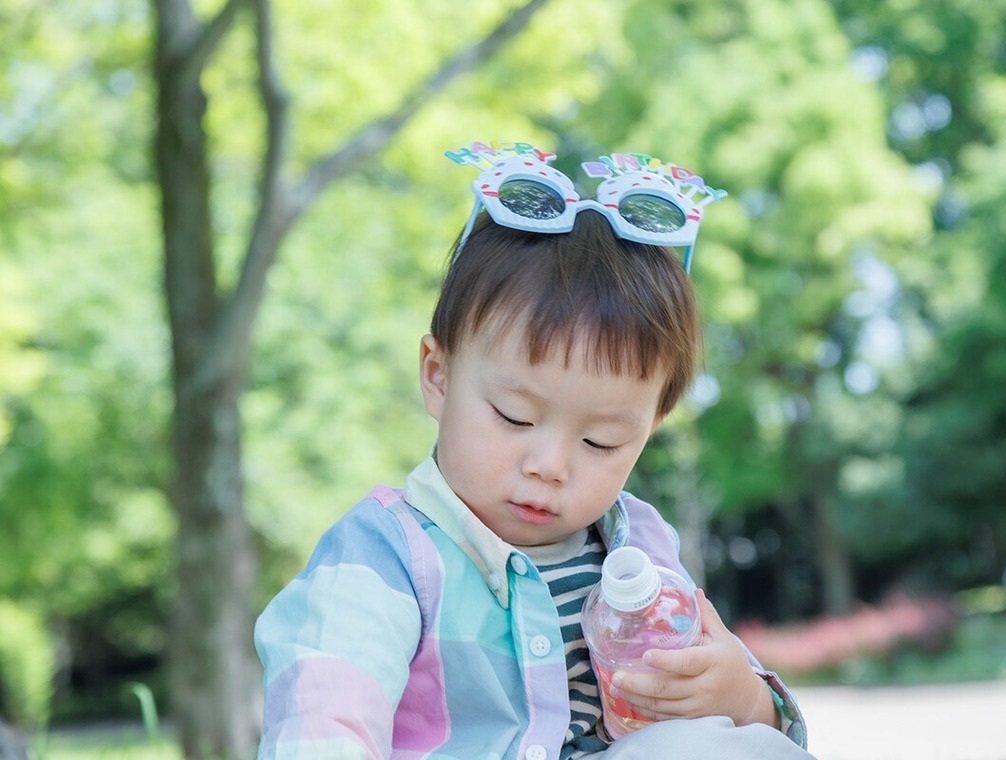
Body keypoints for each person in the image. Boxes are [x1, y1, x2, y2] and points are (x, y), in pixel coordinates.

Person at [254, 140, 815, 759]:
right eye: (514, 416)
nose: (550, 465)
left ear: (651, 426)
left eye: (601, 440)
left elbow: (758, 732)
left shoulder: (640, 551)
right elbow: (326, 716)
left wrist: (739, 697)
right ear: (438, 376)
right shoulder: (385, 558)